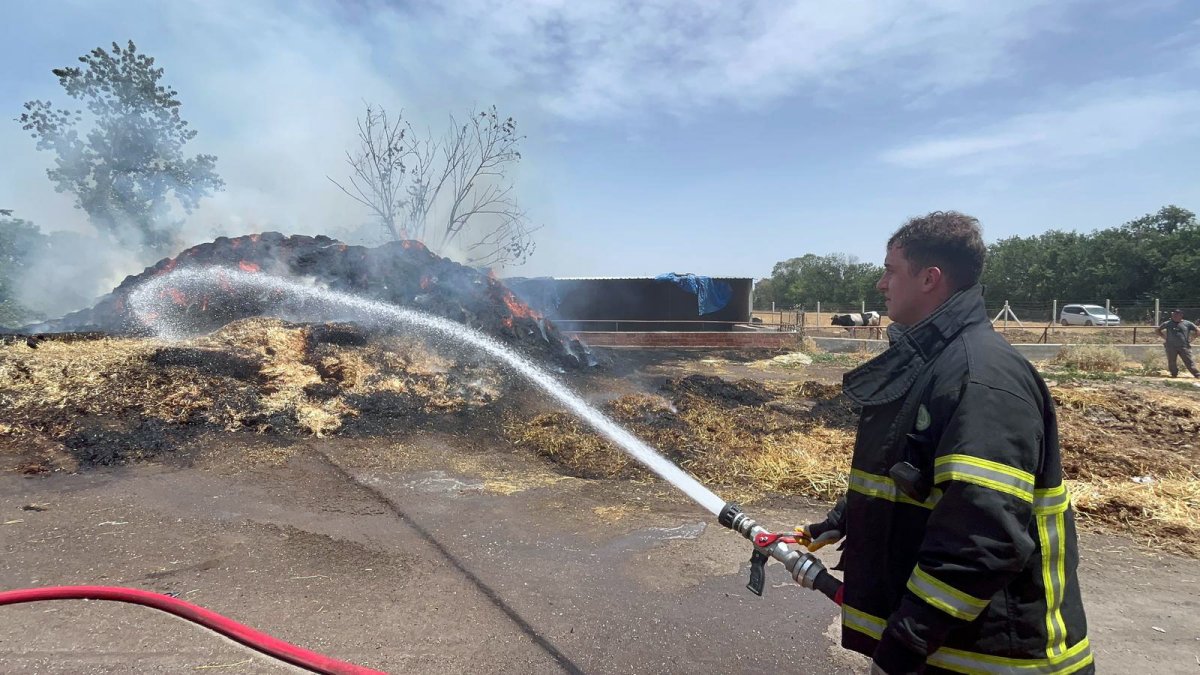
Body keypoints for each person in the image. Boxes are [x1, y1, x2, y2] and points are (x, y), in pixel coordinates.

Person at [801, 211, 1092, 674]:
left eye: (891, 270)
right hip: (951, 652)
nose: (881, 284)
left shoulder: (980, 378)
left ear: (929, 279)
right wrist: (845, 517)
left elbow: (982, 540)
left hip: (994, 660)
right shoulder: (935, 362)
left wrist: (903, 646)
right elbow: (913, 463)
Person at [1155, 309, 1200, 378]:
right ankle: (1174, 374)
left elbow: (1197, 330)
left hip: (1184, 346)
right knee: (1171, 361)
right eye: (1174, 315)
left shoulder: (1187, 323)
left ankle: (1196, 374)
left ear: (1181, 315)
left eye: (1176, 315)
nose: (1174, 316)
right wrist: (1164, 337)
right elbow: (1158, 330)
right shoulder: (1167, 323)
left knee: (1189, 361)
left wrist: (1192, 338)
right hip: (1171, 346)